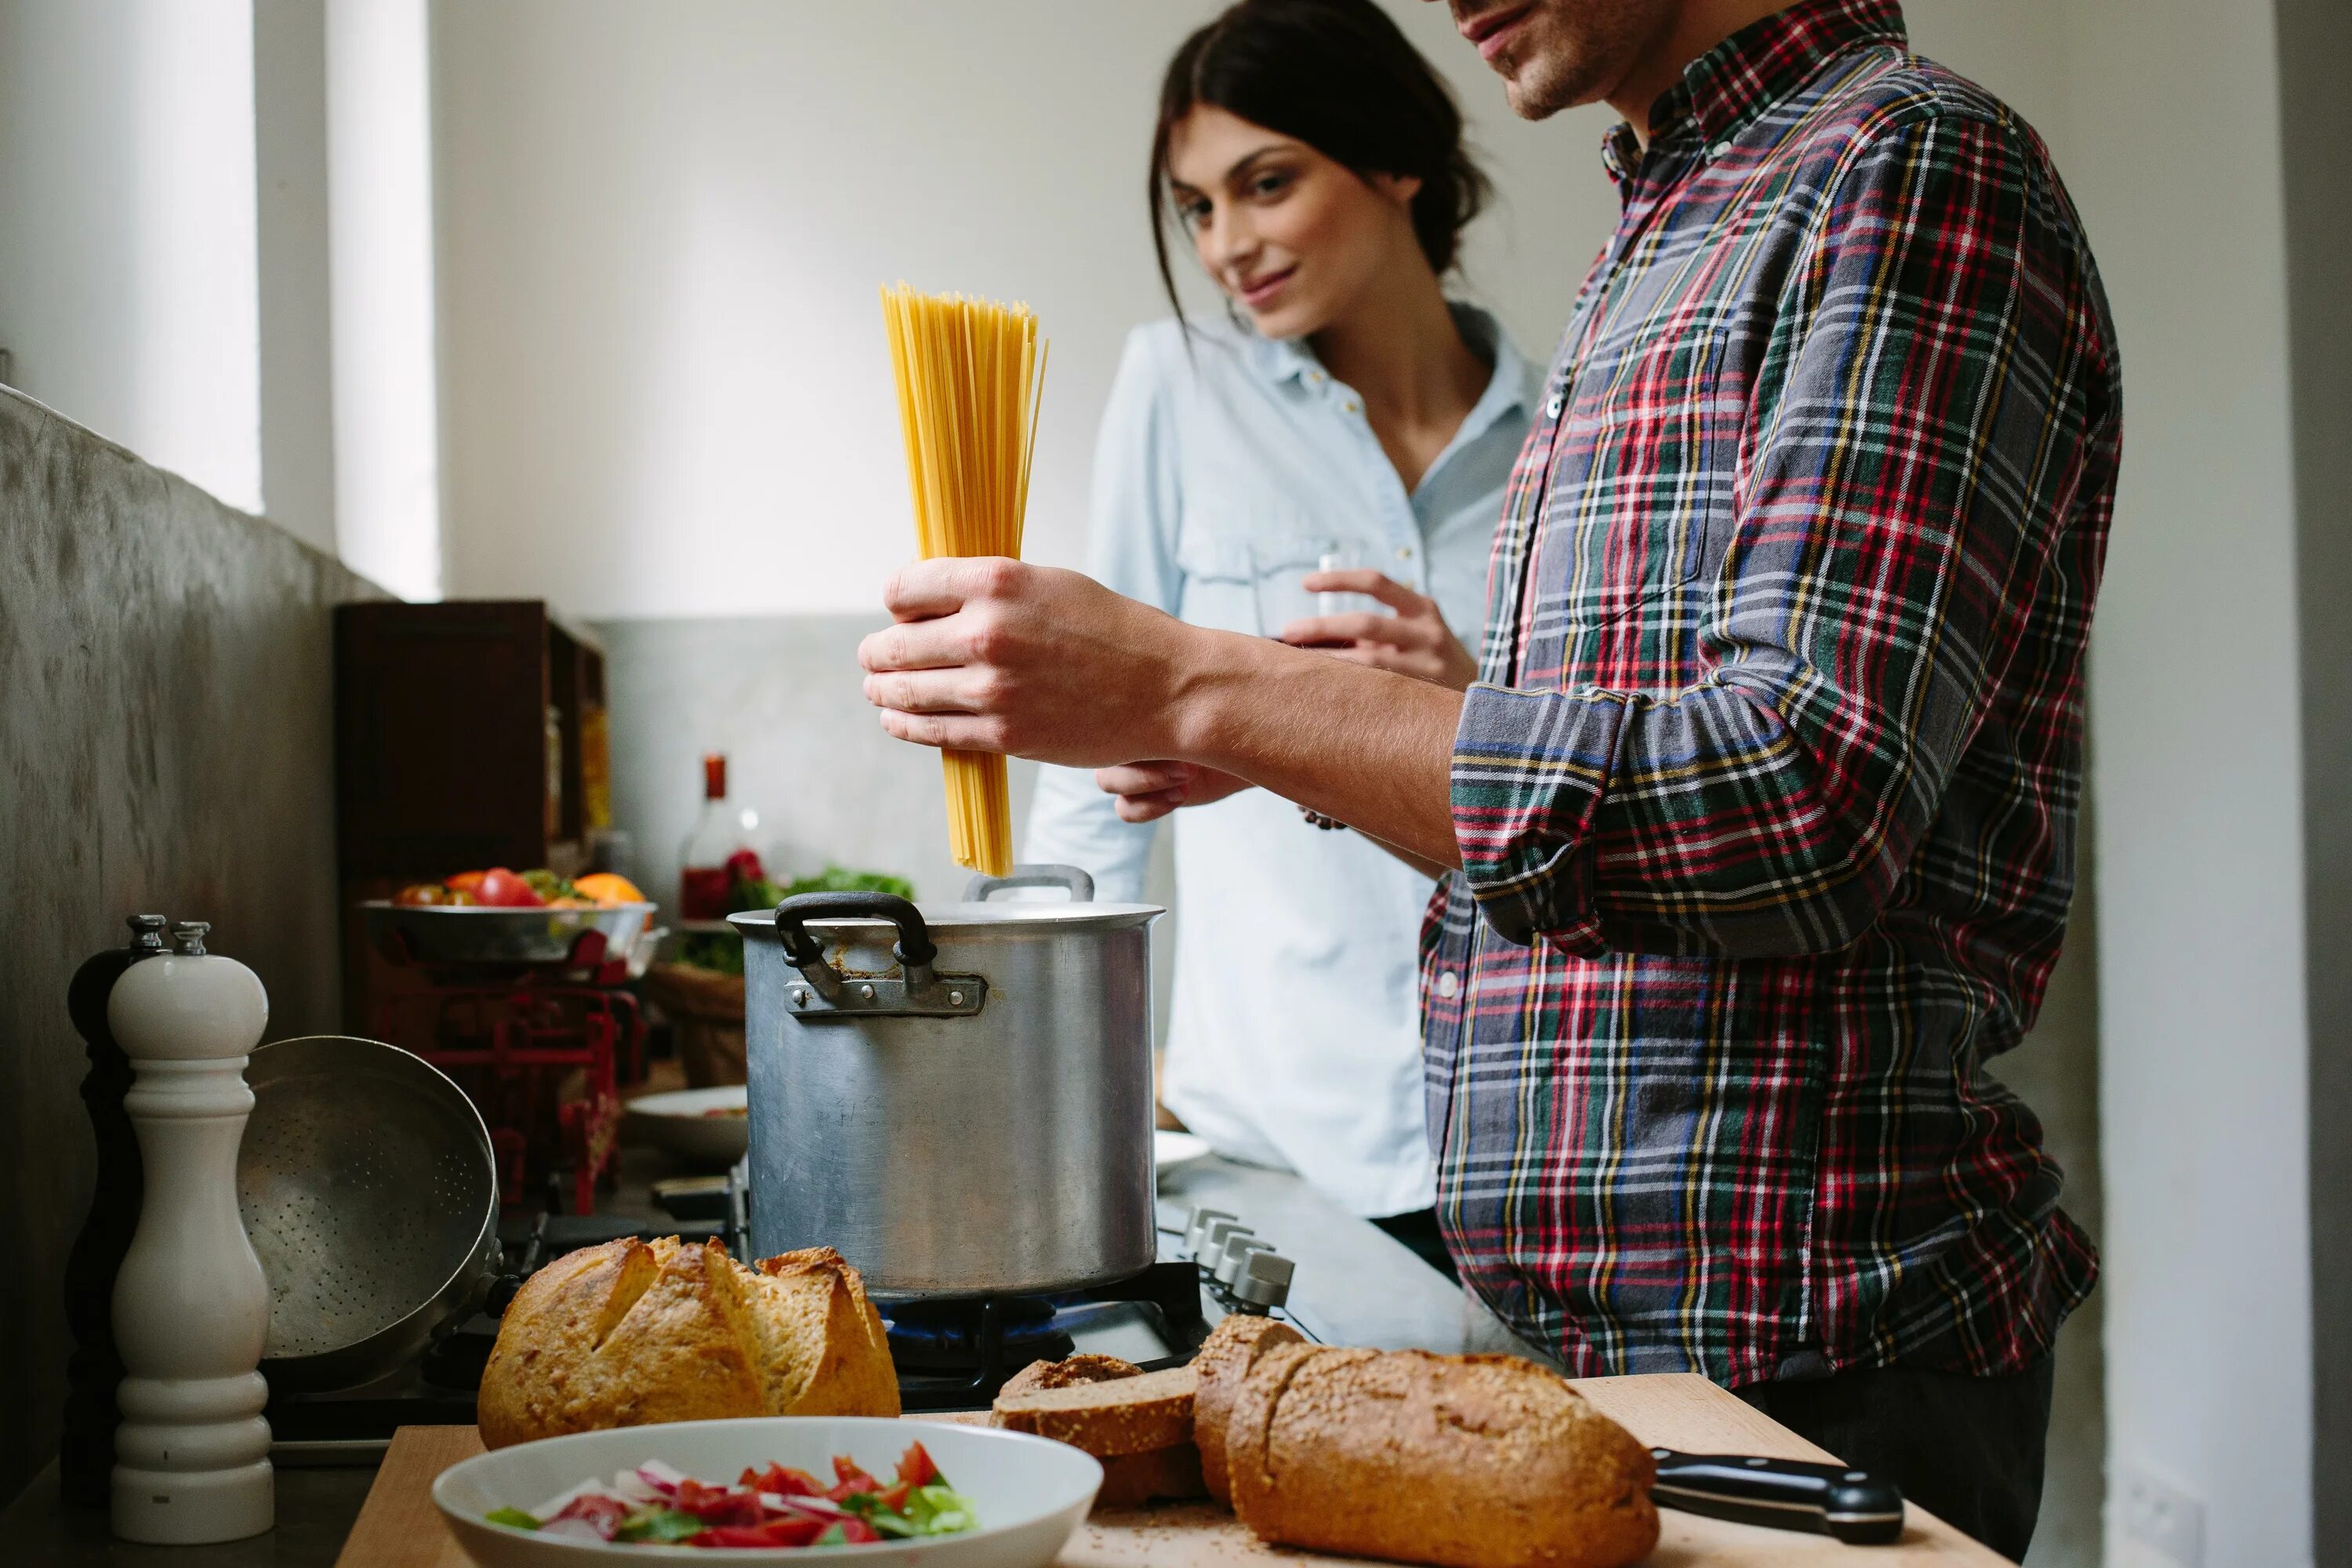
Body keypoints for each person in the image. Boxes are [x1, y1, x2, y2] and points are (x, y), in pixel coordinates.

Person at [862, 0, 2118, 1555]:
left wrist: (1202, 681)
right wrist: (1341, 733)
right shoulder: (1669, 223)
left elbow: (1798, 807)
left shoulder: (1903, 166)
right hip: (1595, 1328)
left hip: (1805, 1334)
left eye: (1265, 181)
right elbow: (1612, 817)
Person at [1023, 0, 1537, 1276]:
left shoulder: (1565, 435)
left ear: (1394, 157)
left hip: (1527, 1136)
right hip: (1269, 1140)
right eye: (1198, 207)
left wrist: (1465, 701)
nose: (1226, 244)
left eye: (1265, 184)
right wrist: (1053, 1079)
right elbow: (1096, 775)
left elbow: (1589, 781)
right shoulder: (1179, 389)